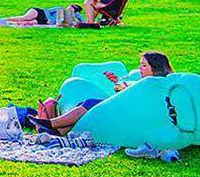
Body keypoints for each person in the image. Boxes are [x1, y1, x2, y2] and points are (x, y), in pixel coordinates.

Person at [33, 51, 173, 135]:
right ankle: (58, 132)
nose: (140, 69)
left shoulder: (157, 84)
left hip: (133, 119)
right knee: (86, 105)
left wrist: (122, 89)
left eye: (144, 65)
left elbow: (141, 101)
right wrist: (116, 82)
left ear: (155, 68)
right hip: (127, 113)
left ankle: (51, 123)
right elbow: (129, 94)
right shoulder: (150, 82)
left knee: (91, 104)